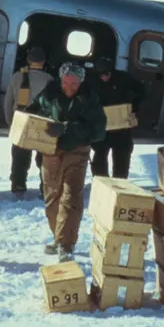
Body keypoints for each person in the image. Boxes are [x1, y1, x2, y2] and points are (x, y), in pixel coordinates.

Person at [25, 62, 107, 262]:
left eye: (74, 83)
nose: (69, 87)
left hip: (77, 151)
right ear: (60, 80)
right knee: (52, 196)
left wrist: (68, 128)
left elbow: (98, 131)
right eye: (66, 82)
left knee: (71, 196)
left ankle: (65, 244)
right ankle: (58, 237)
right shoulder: (49, 94)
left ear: (81, 82)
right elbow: (34, 110)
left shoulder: (90, 99)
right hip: (51, 151)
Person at [3, 46, 54, 199]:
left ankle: (18, 186)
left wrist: (10, 121)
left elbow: (8, 101)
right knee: (43, 158)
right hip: (41, 121)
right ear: (43, 62)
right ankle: (45, 188)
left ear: (28, 60)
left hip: (21, 119)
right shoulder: (49, 79)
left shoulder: (17, 76)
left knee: (19, 156)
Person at [89, 56, 145, 180]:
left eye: (107, 74)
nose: (104, 77)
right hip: (102, 126)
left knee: (122, 158)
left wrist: (133, 106)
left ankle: (120, 186)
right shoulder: (92, 82)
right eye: (101, 75)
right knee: (99, 158)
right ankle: (102, 184)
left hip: (121, 126)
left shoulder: (123, 78)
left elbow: (141, 90)